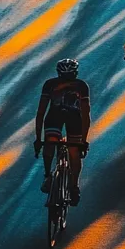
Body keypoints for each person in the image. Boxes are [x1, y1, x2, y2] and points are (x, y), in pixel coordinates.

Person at [33, 59, 90, 205]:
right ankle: (74, 186)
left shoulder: (50, 84)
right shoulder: (81, 86)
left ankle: (49, 176)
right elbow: (85, 113)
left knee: (50, 144)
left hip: (54, 117)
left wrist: (38, 139)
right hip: (74, 119)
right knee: (74, 152)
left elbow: (40, 112)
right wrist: (83, 140)